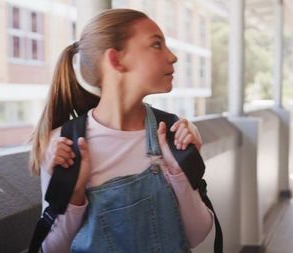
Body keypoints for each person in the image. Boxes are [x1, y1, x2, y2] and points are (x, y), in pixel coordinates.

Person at [29, 8, 213, 253]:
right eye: (156, 45)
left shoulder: (171, 131)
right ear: (116, 60)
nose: (173, 57)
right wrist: (74, 197)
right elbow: (51, 249)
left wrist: (179, 173)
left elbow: (198, 234)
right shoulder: (64, 145)